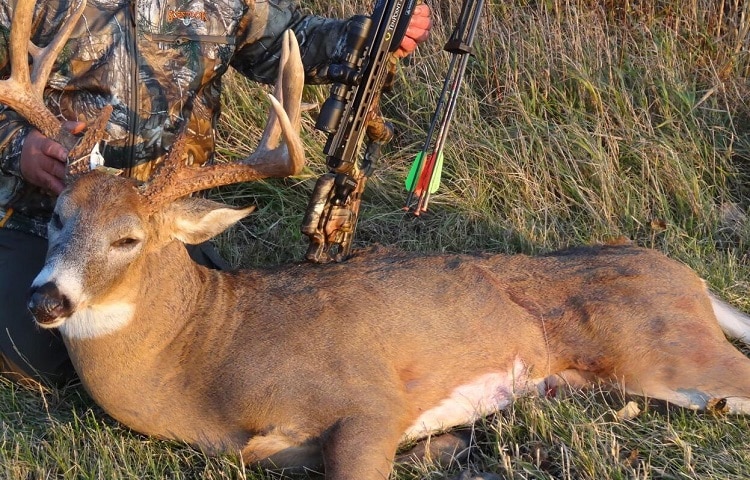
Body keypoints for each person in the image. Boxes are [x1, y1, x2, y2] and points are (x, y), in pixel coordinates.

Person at [0, 0, 432, 386]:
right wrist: (21, 148)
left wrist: (367, 36)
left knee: (216, 351)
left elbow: (289, 41)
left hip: (158, 226)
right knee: (31, 354)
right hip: (43, 218)